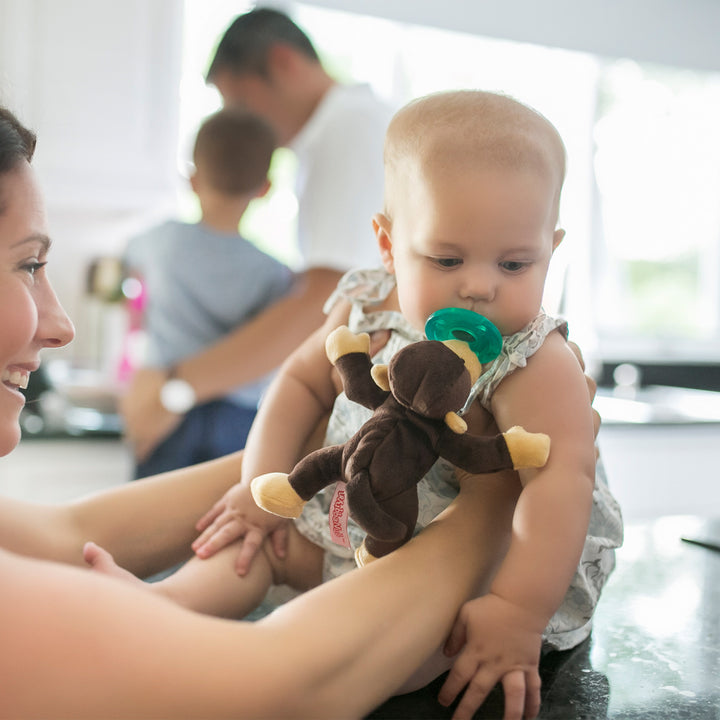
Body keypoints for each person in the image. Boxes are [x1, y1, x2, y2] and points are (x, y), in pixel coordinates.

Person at [87, 90, 622, 719]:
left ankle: (250, 672)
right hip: (347, 528)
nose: (481, 285)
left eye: (516, 262)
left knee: (414, 650)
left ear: (550, 250)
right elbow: (299, 383)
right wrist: (259, 487)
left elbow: (561, 483)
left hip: (473, 581)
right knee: (255, 545)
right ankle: (166, 614)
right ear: (389, 244)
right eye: (446, 258)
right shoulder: (367, 304)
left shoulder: (534, 358)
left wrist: (516, 611)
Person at [121, 7, 393, 464]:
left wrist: (174, 390)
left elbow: (319, 304)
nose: (240, 124)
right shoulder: (341, 130)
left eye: (241, 102)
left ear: (283, 62)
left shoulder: (346, 129)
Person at [122, 108, 293, 478]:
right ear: (264, 188)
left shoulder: (160, 242)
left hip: (163, 405)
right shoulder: (272, 271)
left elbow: (127, 271)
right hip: (239, 416)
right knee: (218, 522)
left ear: (194, 180)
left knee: (150, 521)